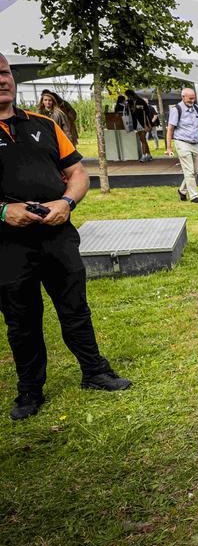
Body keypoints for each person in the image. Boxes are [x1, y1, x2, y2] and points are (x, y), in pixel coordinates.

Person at [0, 52, 131, 421]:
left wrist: (67, 202)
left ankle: (95, 372)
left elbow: (77, 173)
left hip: (56, 233)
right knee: (21, 318)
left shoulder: (42, 123)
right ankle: (29, 390)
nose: (2, 80)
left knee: (75, 308)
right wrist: (3, 211)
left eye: (5, 72)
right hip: (7, 244)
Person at [167, 87, 198, 204]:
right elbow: (170, 129)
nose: (192, 101)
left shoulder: (197, 109)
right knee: (188, 171)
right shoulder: (176, 110)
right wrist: (169, 147)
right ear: (183, 97)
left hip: (196, 143)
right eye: (189, 99)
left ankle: (182, 191)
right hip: (182, 143)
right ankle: (194, 197)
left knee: (195, 171)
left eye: (193, 98)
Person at [125, 89, 154, 163]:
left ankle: (144, 155)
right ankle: (149, 155)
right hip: (136, 123)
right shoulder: (129, 102)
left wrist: (139, 110)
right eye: (127, 96)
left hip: (143, 122)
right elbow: (128, 110)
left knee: (143, 139)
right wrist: (127, 106)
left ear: (132, 94)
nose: (128, 97)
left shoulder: (140, 100)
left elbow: (147, 110)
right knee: (142, 139)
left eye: (129, 96)